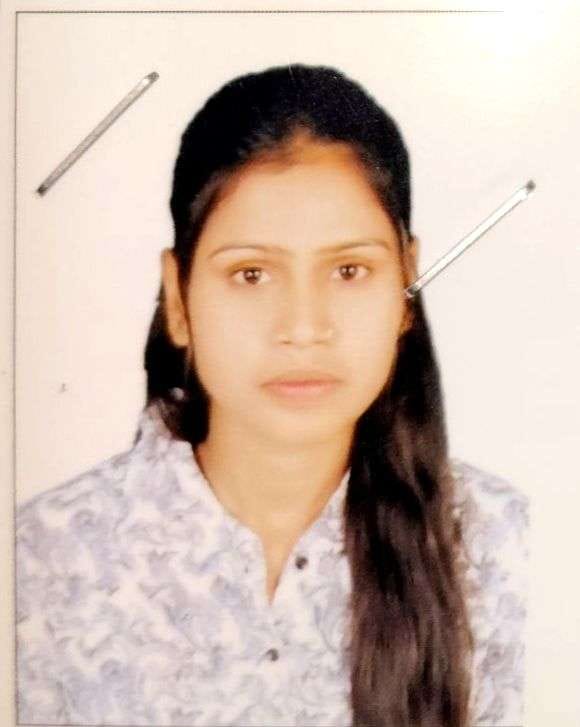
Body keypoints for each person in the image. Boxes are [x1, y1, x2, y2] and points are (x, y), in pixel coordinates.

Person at [16, 63, 528, 727]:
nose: (304, 327)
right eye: (251, 273)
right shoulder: (39, 560)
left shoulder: (506, 548)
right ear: (178, 297)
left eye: (350, 270)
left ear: (406, 287)